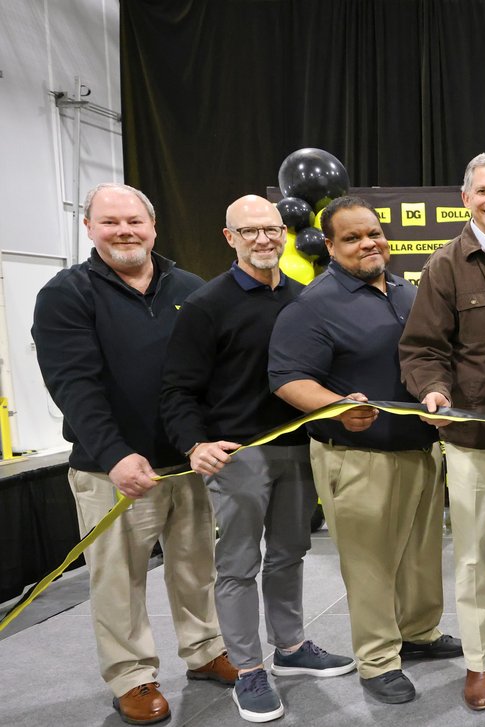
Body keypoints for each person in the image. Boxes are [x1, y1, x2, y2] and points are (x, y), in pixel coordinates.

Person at [33, 182, 237, 725]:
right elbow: (73, 383)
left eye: (134, 221)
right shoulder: (66, 293)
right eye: (110, 222)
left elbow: (207, 376)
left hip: (184, 464)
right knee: (119, 579)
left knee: (196, 567)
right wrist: (116, 454)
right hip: (111, 469)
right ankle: (133, 677)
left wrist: (203, 440)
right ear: (89, 228)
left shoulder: (190, 287)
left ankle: (205, 650)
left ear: (153, 227)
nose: (124, 231)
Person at [158, 195, 356, 723]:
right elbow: (177, 388)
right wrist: (195, 444)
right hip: (238, 454)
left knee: (290, 552)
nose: (264, 239)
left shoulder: (303, 298)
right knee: (239, 564)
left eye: (272, 229)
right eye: (250, 232)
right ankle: (248, 669)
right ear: (230, 238)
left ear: (285, 232)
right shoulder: (206, 305)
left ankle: (290, 649)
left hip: (296, 449)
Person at [269, 196, 457, 705]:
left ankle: (419, 632)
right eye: (351, 238)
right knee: (370, 563)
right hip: (358, 456)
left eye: (373, 233)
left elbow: (431, 357)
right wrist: (334, 407)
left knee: (421, 553)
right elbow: (287, 378)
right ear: (328, 246)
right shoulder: (312, 304)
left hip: (419, 449)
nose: (368, 243)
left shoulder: (407, 292)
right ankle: (377, 659)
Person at [399, 152, 485, 710]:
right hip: (471, 435)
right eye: (482, 191)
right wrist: (433, 391)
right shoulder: (444, 266)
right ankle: (479, 663)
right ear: (466, 199)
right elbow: (422, 348)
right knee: (474, 557)